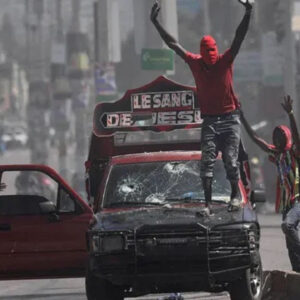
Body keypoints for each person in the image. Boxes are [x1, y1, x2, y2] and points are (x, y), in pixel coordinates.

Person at [150, 0, 253, 213]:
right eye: (208, 54)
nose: (211, 58)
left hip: (229, 118)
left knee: (231, 162)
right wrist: (155, 22)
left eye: (213, 52)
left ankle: (235, 194)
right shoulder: (195, 62)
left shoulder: (225, 61)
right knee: (206, 164)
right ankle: (207, 204)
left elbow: (239, 37)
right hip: (210, 120)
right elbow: (173, 44)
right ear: (202, 54)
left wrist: (249, 11)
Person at [241, 95, 300, 272]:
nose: (276, 140)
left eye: (280, 136)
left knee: (287, 226)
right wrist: (242, 117)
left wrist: (290, 114)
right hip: (286, 205)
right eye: (275, 137)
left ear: (286, 138)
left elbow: (297, 137)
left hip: (297, 201)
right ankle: (297, 272)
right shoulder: (277, 155)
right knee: (290, 244)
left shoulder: (294, 154)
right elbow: (257, 139)